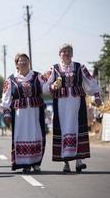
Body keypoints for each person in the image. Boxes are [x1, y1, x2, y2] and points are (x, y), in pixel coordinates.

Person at [42, 43, 102, 173]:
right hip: (61, 105)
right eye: (63, 51)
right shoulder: (54, 68)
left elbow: (91, 83)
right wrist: (53, 87)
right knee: (64, 131)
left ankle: (79, 161)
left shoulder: (80, 67)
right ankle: (66, 163)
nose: (66, 53)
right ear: (59, 54)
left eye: (69, 51)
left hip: (77, 104)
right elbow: (44, 86)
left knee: (77, 129)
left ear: (72, 54)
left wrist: (96, 96)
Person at [0, 53, 46, 173]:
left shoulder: (37, 76)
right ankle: (25, 163)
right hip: (19, 114)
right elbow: (6, 98)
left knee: (36, 134)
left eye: (26, 60)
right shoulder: (10, 80)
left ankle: (36, 163)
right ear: (16, 64)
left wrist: (54, 85)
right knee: (22, 135)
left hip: (35, 112)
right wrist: (6, 113)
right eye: (21, 61)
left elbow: (46, 88)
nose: (24, 62)